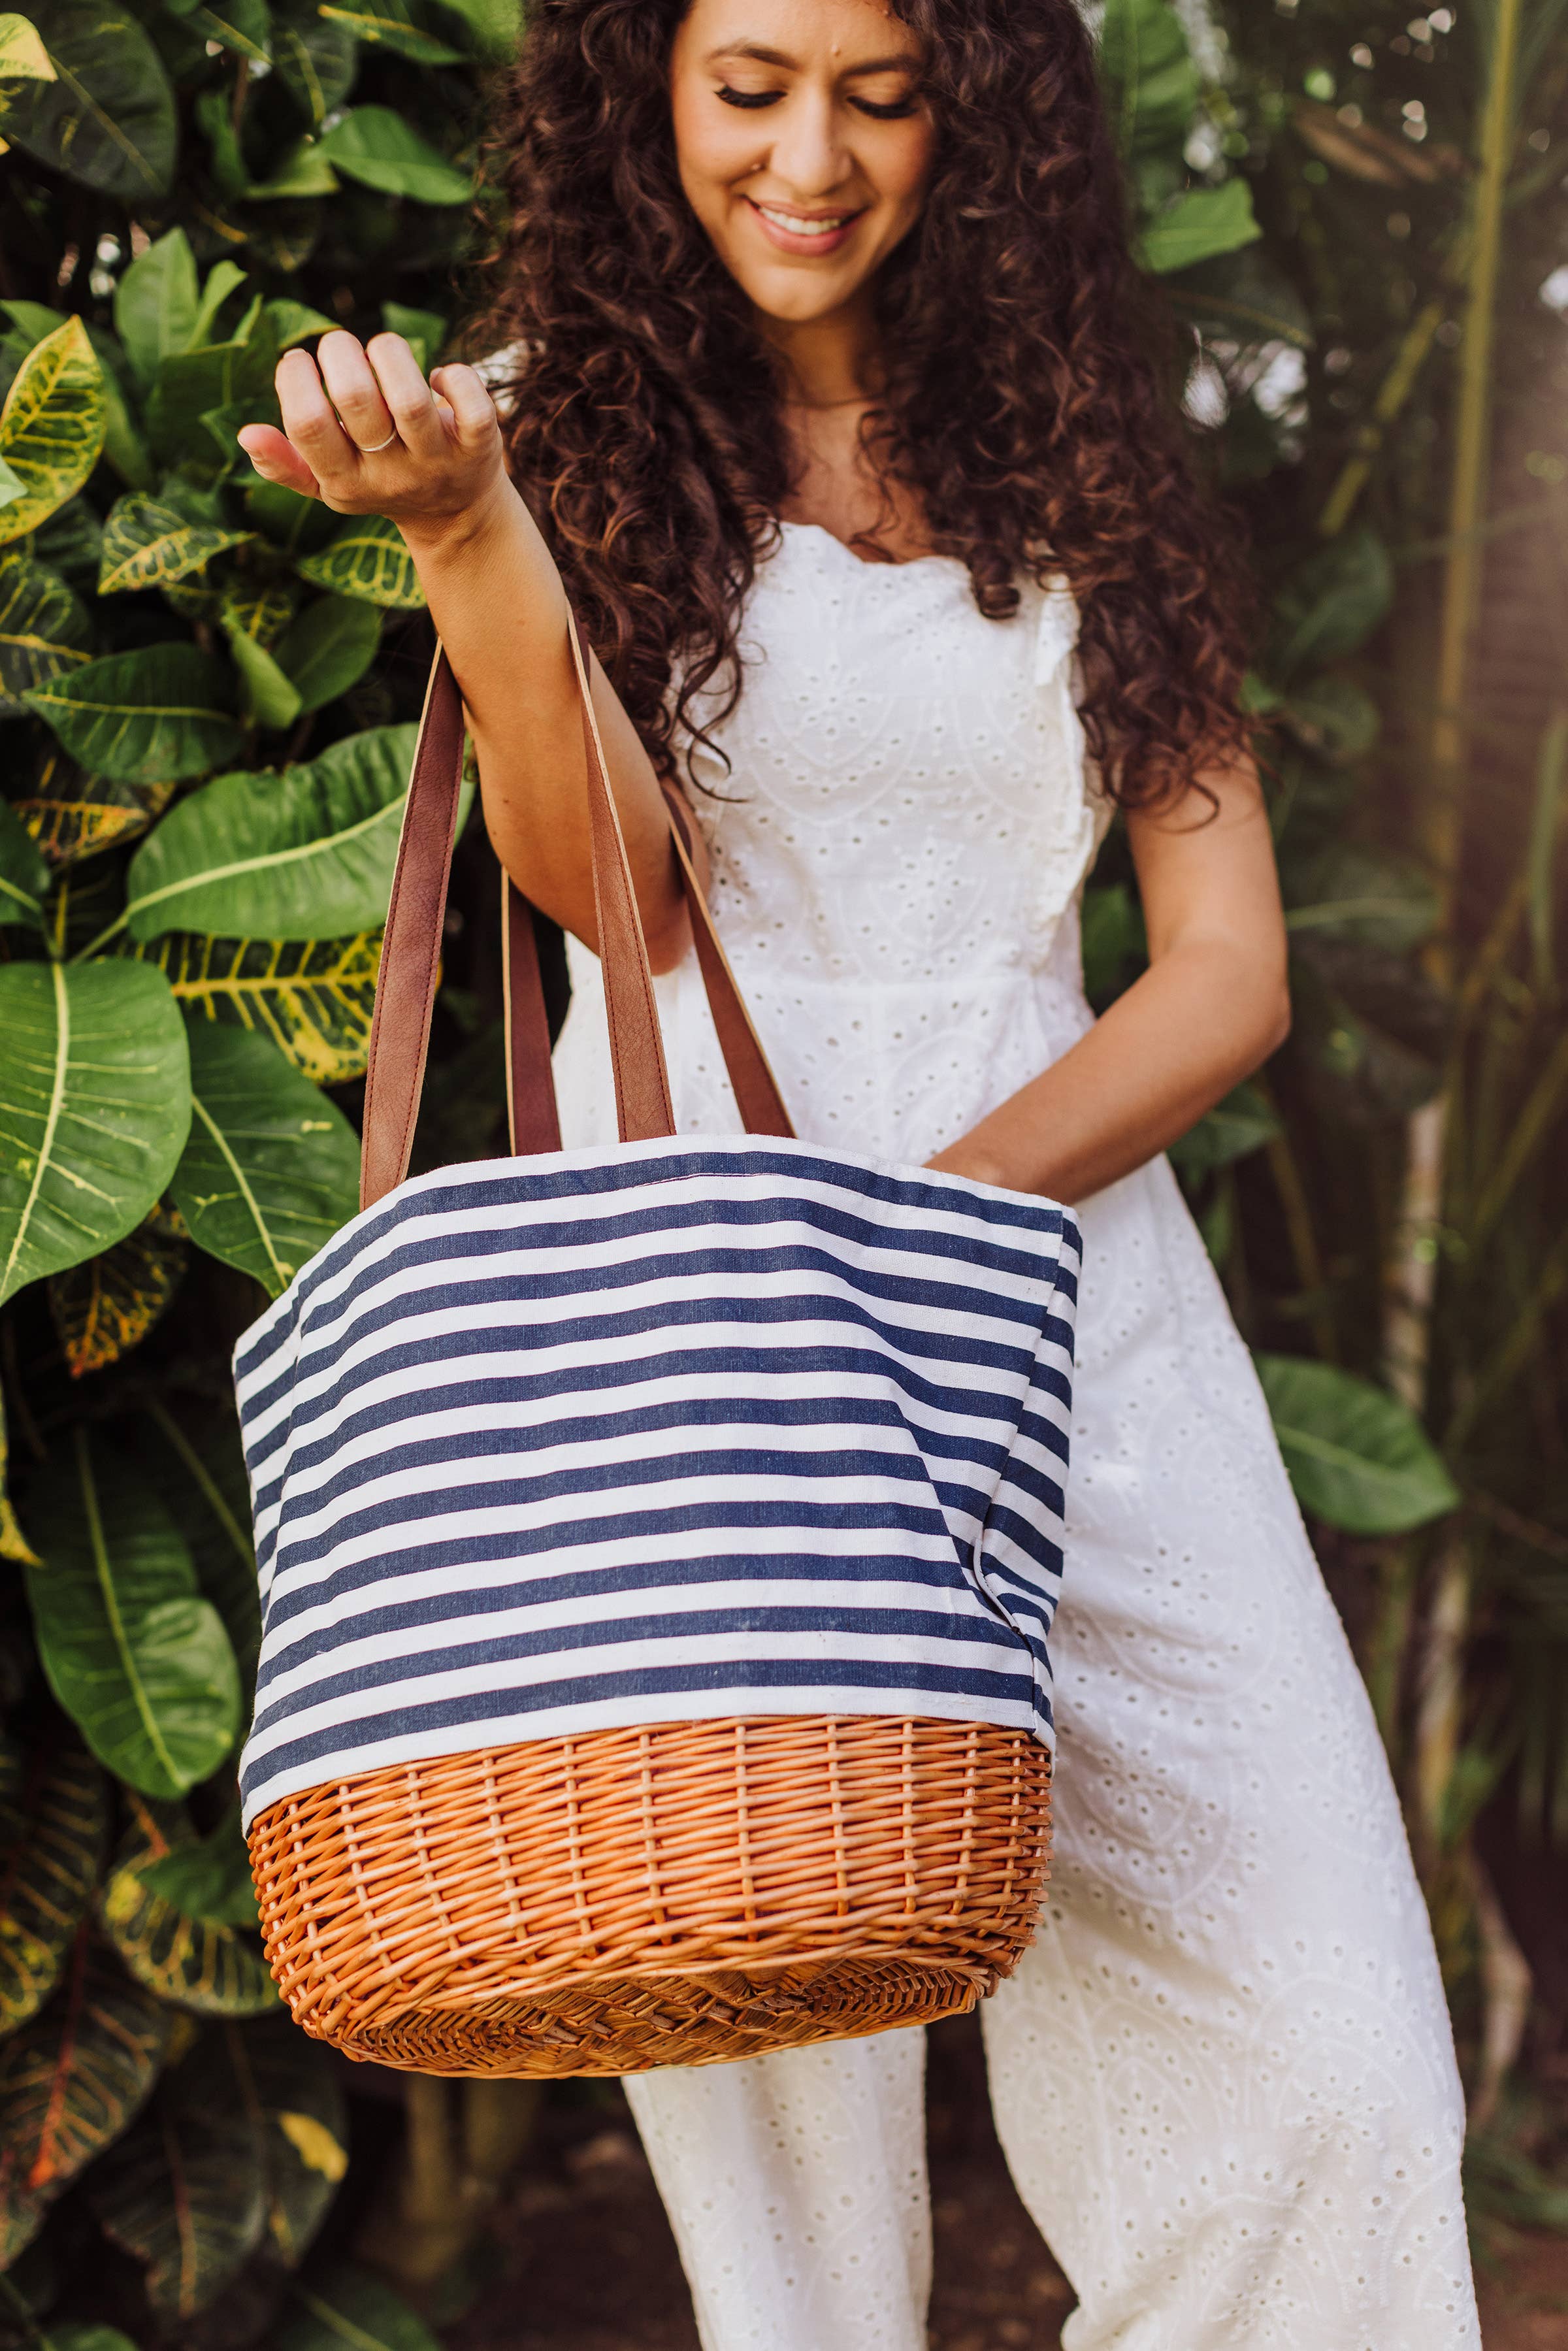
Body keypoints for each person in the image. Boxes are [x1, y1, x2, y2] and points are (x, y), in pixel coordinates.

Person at [238, 1, 1480, 2341]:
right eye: (749, 86)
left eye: (882, 93)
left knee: (1328, 2059)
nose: (812, 155)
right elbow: (616, 902)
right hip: (695, 1297)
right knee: (781, 2128)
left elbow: (1226, 968)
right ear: (649, 102)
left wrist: (940, 1229)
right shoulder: (547, 439)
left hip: (1065, 1280)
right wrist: (463, 532)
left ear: (971, 119)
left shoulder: (1089, 453)